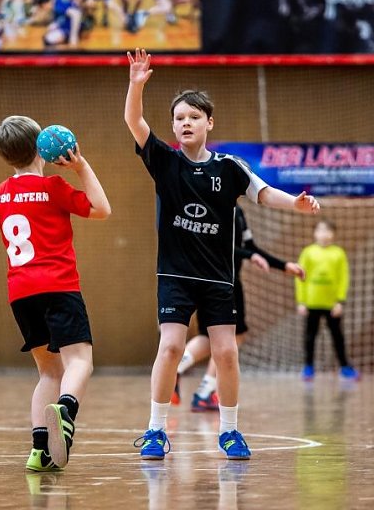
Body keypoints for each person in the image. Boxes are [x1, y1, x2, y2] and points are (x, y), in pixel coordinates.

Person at [125, 48, 320, 461]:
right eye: (179, 118)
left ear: (209, 123)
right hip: (175, 275)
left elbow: (263, 193)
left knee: (227, 352)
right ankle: (156, 430)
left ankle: (229, 431)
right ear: (174, 127)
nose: (186, 123)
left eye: (194, 116)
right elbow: (134, 122)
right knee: (171, 347)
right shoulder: (164, 162)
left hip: (218, 277)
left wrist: (297, 204)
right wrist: (136, 85)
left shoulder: (230, 167)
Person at [0, 115, 110, 471]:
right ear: (42, 147)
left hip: (21, 294)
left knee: (48, 373)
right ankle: (66, 411)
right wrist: (80, 166)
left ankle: (39, 451)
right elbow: (102, 209)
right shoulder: (53, 187)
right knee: (79, 361)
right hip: (59, 287)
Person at [173, 202, 305, 411]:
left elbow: (249, 247)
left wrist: (282, 265)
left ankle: (178, 370)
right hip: (220, 283)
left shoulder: (239, 211)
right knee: (231, 337)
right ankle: (204, 390)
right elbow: (215, 244)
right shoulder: (212, 206)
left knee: (211, 338)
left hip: (225, 281)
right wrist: (249, 256)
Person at [295, 220, 357, 381]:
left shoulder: (339, 253)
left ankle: (345, 367)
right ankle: (308, 367)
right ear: (315, 233)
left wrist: (340, 301)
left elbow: (344, 278)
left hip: (332, 304)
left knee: (338, 336)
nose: (324, 234)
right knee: (310, 336)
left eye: (328, 231)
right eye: (320, 230)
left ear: (334, 234)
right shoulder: (308, 252)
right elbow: (299, 277)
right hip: (311, 303)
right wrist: (301, 301)